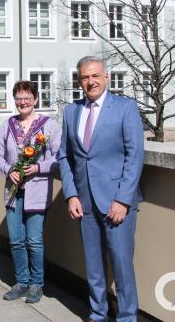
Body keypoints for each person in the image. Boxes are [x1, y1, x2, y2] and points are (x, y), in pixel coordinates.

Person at [58, 56, 145, 322]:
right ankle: (98, 315)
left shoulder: (125, 107)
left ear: (106, 77)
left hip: (117, 203)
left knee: (122, 267)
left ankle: (127, 317)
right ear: (79, 81)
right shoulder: (71, 111)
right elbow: (65, 156)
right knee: (93, 267)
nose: (90, 81)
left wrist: (123, 200)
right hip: (84, 203)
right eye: (85, 77)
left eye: (95, 75)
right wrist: (71, 194)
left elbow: (134, 156)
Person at [0, 81, 61, 304]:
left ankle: (36, 284)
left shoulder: (49, 126)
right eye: (19, 98)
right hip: (13, 192)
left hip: (37, 191)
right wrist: (8, 169)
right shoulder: (8, 125)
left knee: (34, 240)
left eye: (27, 98)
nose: (23, 102)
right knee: (16, 241)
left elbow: (59, 158)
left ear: (36, 99)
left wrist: (39, 167)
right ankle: (21, 282)